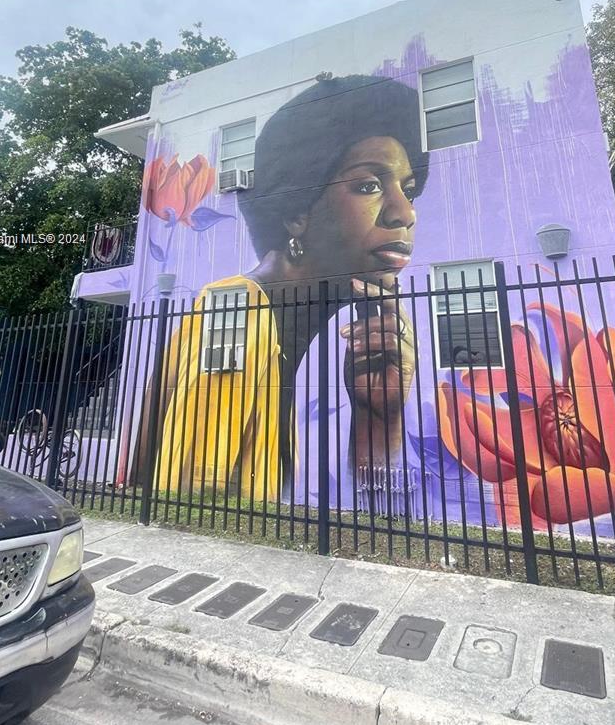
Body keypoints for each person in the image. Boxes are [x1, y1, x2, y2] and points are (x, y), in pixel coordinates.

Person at [153, 73, 430, 505]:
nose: (405, 213)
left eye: (408, 190)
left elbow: (380, 516)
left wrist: (381, 415)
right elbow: (195, 498)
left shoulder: (291, 322)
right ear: (297, 214)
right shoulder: (235, 309)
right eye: (369, 186)